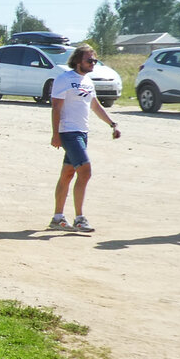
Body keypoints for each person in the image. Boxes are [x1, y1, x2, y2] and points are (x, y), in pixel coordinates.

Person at [48, 44, 121, 233]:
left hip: (82, 133)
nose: (93, 63)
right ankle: (80, 218)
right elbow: (56, 107)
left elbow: (95, 106)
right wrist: (56, 134)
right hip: (69, 133)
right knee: (86, 171)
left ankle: (57, 218)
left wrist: (112, 124)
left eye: (95, 60)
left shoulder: (88, 81)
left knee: (68, 174)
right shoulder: (64, 79)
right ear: (78, 61)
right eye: (89, 60)